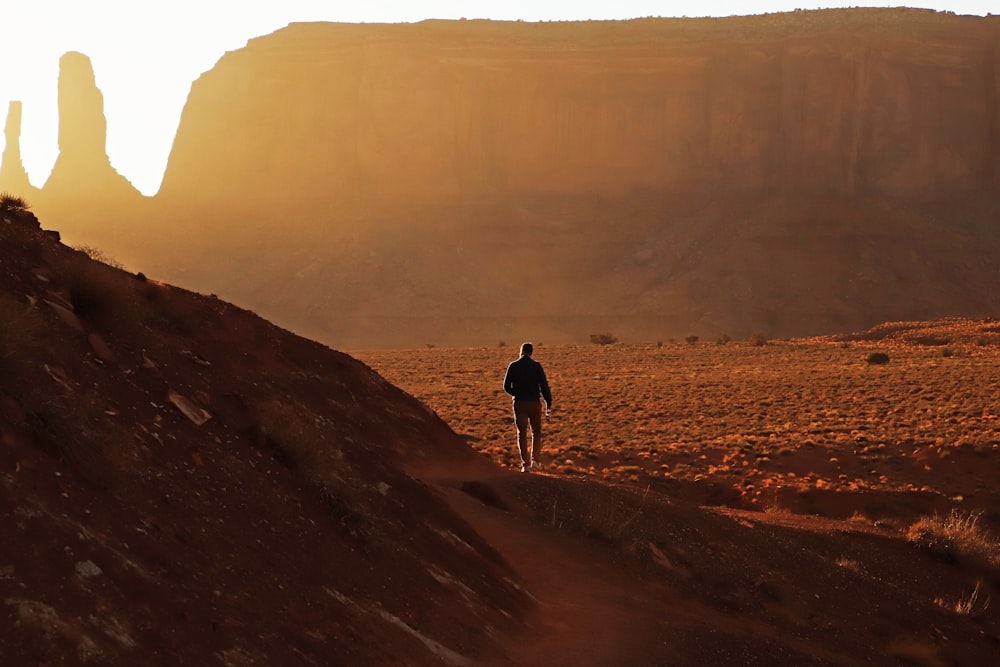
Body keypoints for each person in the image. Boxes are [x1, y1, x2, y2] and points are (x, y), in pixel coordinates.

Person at [502, 342, 553, 473]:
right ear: (531, 352)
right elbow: (544, 386)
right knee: (536, 432)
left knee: (522, 433)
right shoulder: (536, 366)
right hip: (534, 403)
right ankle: (536, 460)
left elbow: (506, 386)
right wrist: (548, 402)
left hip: (520, 403)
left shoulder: (513, 366)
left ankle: (526, 465)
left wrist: (516, 394)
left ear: (522, 351)